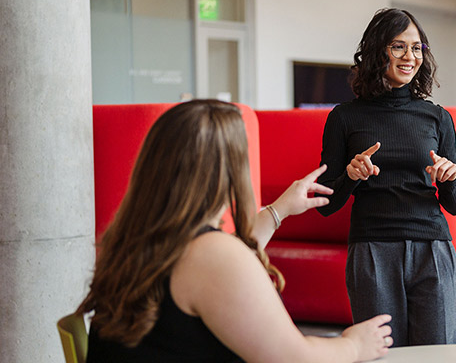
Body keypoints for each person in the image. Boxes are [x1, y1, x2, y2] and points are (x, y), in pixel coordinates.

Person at [78, 100, 392, 362]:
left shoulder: (134, 240)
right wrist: (353, 344)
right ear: (229, 171)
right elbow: (296, 359)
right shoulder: (210, 256)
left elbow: (228, 256)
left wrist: (280, 209)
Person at [316, 7, 456, 346]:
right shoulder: (344, 118)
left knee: (438, 354)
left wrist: (448, 177)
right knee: (380, 354)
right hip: (372, 250)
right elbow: (325, 204)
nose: (410, 57)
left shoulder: (436, 117)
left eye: (417, 48)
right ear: (376, 50)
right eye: (398, 46)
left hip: (433, 248)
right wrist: (352, 176)